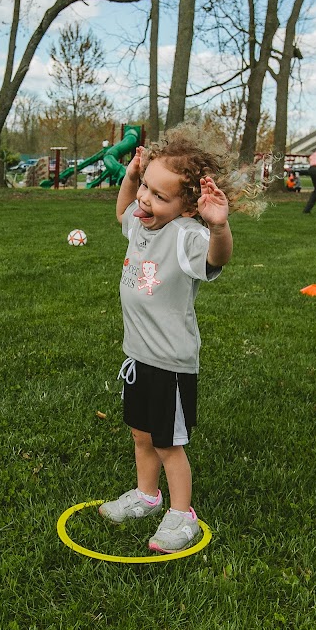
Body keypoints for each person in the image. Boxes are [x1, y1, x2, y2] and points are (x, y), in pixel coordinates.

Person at [101, 127, 245, 553]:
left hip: (170, 363)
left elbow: (217, 258)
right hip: (138, 357)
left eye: (159, 196)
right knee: (141, 434)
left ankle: (183, 514)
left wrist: (218, 228)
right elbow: (122, 212)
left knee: (168, 442)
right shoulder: (143, 222)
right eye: (147, 187)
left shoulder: (187, 236)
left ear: (187, 207)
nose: (145, 200)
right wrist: (131, 178)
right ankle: (148, 495)